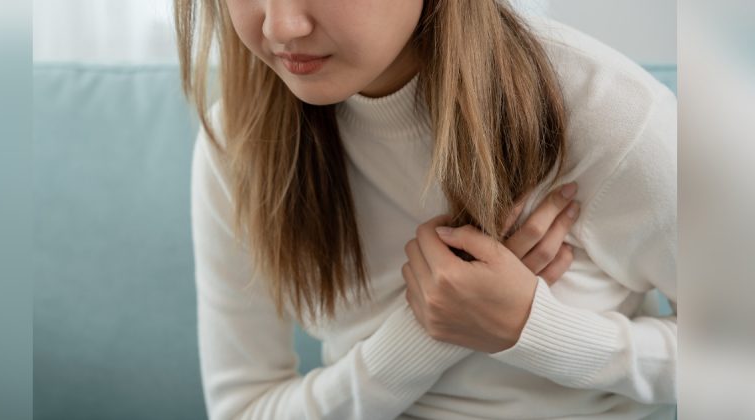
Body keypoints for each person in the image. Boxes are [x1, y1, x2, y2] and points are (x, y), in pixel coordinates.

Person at [175, 0, 677, 418]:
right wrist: (424, 338)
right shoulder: (240, 143)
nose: (282, 25)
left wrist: (533, 329)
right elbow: (245, 408)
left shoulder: (605, 112)